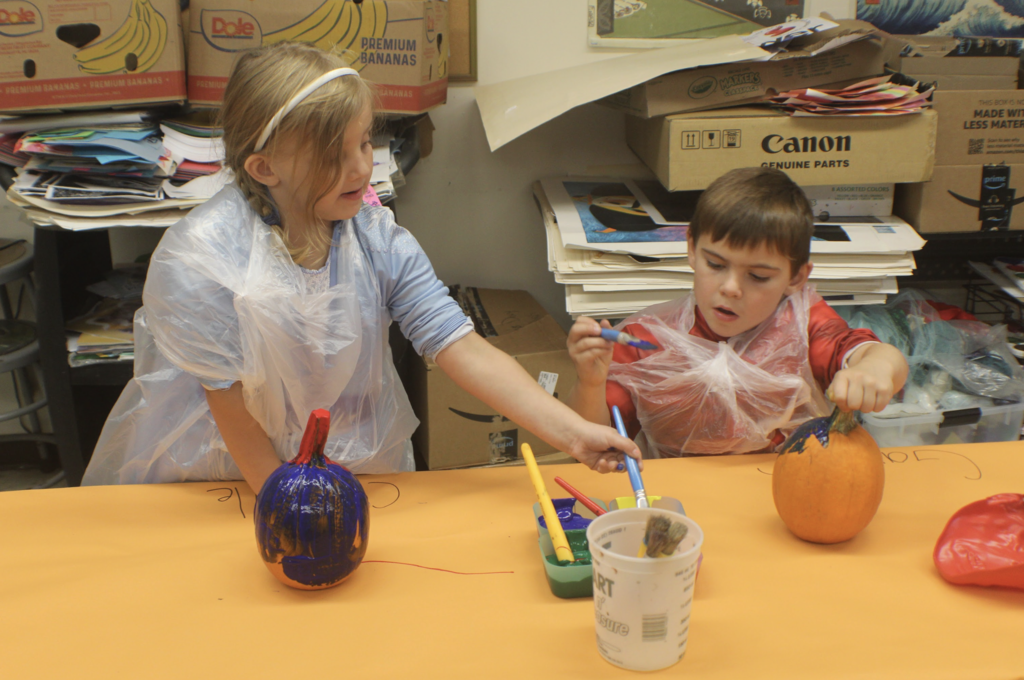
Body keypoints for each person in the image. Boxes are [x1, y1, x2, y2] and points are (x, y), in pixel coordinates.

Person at [82, 42, 641, 490]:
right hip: (217, 471)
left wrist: (574, 433)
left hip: (350, 465)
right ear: (264, 166)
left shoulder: (376, 239)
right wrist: (284, 499)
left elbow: (460, 347)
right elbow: (228, 408)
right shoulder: (202, 259)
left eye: (365, 141)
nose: (361, 167)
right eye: (335, 153)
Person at [566, 167, 909, 458]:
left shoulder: (802, 324)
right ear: (691, 249)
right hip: (678, 504)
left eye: (758, 276)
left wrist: (876, 367)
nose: (731, 288)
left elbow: (870, 353)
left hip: (788, 492)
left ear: (796, 277)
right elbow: (596, 445)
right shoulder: (645, 340)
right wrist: (590, 382)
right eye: (715, 264)